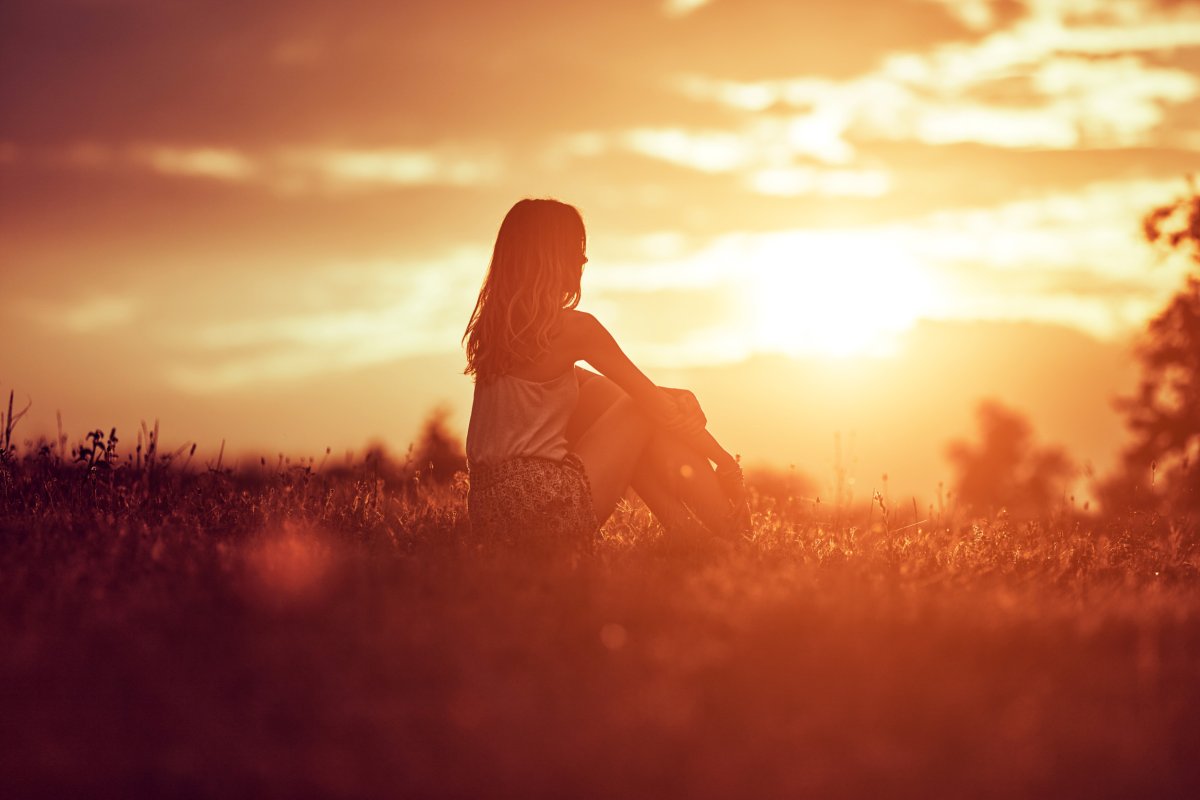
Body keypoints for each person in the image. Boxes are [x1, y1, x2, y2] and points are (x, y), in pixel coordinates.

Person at [462, 198, 749, 549]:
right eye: (575, 249)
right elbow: (646, 402)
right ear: (551, 257)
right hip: (543, 504)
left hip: (489, 514)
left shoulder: (496, 337)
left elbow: (619, 397)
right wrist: (724, 462)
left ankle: (688, 533)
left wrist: (670, 395)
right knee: (643, 406)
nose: (583, 260)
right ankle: (733, 528)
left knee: (629, 407)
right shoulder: (574, 329)